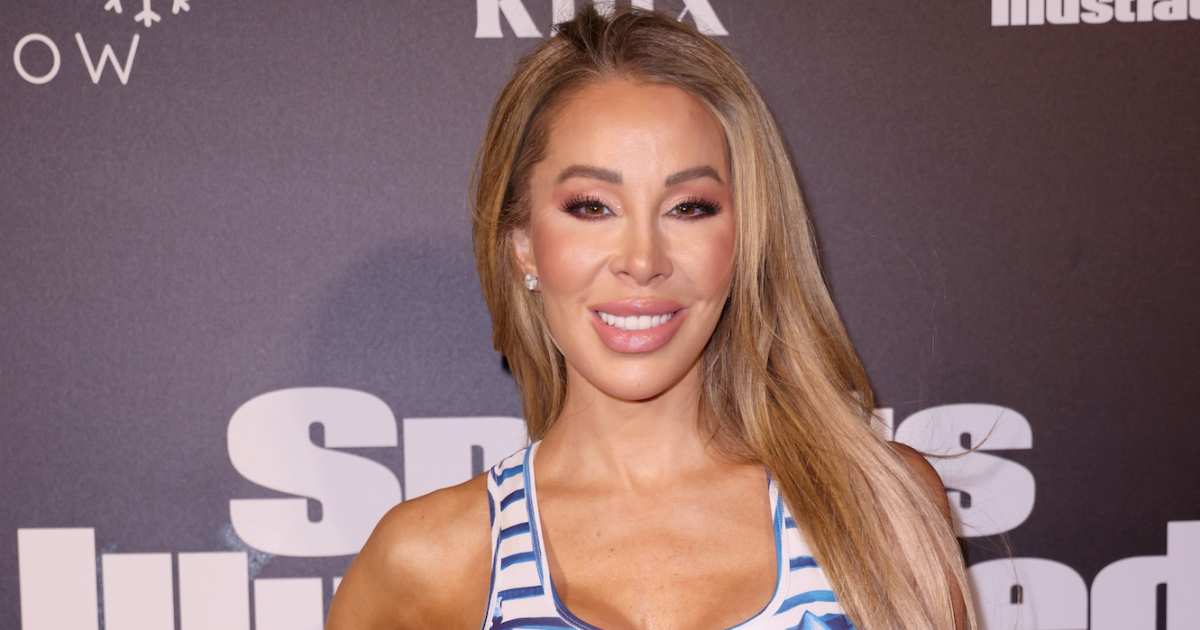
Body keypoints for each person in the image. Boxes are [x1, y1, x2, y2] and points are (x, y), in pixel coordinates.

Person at [327, 5, 975, 629]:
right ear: (522, 243)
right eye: (592, 207)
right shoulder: (428, 560)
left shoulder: (878, 506)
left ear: (745, 238)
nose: (642, 261)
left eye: (689, 208)